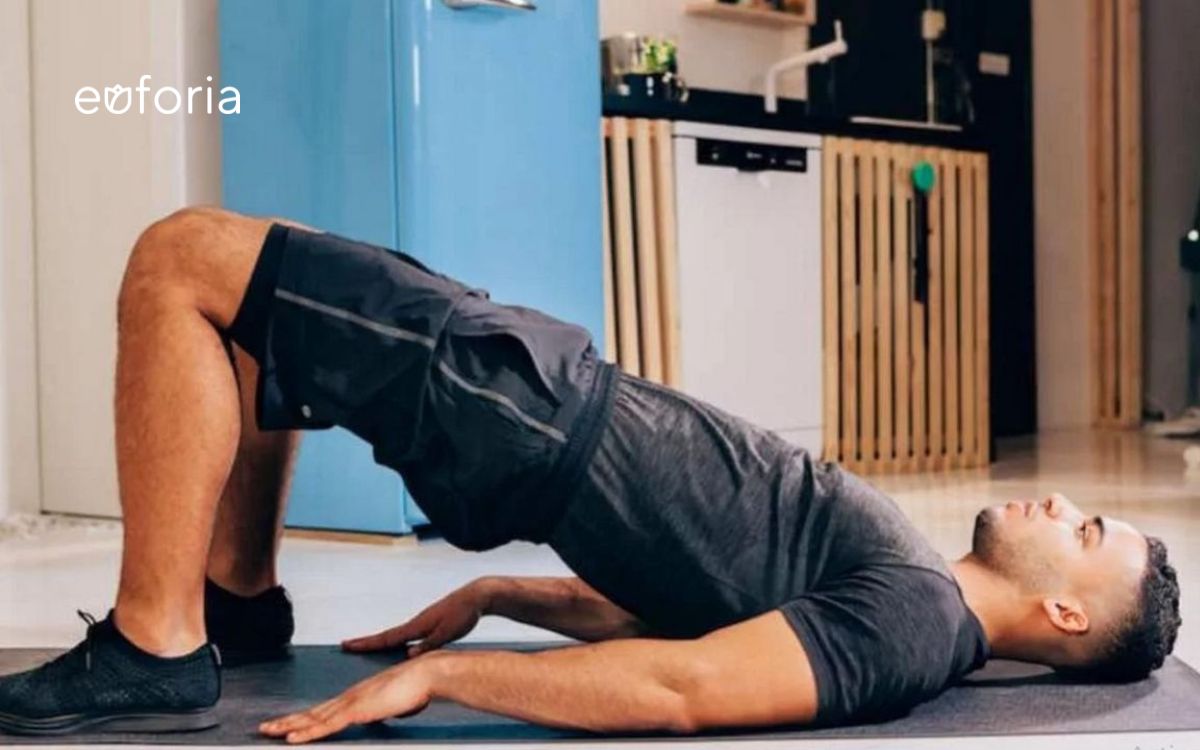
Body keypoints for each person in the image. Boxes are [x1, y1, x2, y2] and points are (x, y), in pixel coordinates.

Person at [0, 208, 1180, 741]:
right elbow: (692, 605)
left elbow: (685, 687)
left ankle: (158, 642)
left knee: (181, 260)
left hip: (524, 407)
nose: (1063, 507)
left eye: (1086, 536)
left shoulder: (913, 625)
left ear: (1066, 615)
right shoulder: (917, 607)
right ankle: (238, 604)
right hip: (533, 406)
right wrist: (502, 597)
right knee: (262, 328)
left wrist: (445, 679)